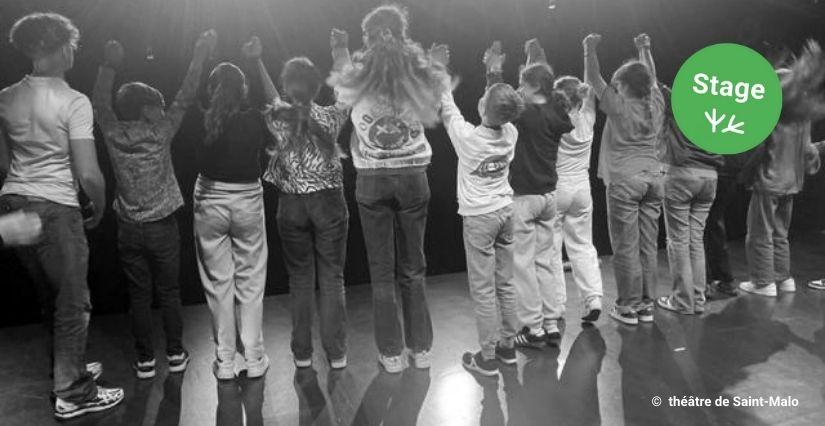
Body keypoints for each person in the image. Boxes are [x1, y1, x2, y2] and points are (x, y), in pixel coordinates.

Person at [0, 12, 124, 419]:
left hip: (14, 207)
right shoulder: (74, 101)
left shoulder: (5, 97)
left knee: (48, 296)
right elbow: (88, 171)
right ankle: (72, 391)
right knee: (73, 301)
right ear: (55, 47)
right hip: (56, 208)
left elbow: (3, 163)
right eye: (71, 43)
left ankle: (66, 367)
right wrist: (101, 202)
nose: (74, 50)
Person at [328, 4, 448, 373]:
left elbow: (340, 104)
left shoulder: (358, 74)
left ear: (368, 37)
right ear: (402, 32)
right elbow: (437, 107)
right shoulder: (420, 71)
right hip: (414, 175)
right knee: (414, 268)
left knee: (382, 271)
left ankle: (392, 354)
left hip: (373, 179)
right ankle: (421, 350)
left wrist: (339, 52)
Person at [91, 31, 215, 379]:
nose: (162, 108)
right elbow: (186, 95)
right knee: (170, 291)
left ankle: (145, 359)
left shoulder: (113, 133)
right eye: (157, 105)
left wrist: (107, 66)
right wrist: (200, 55)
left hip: (129, 229)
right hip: (162, 228)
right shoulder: (160, 131)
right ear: (147, 111)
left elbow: (100, 103)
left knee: (139, 295)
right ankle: (175, 353)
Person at [246, 31, 351, 369]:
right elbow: (346, 87)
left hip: (291, 205)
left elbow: (271, 95)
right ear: (317, 87)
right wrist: (338, 50)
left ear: (289, 86)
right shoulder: (332, 116)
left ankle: (302, 355)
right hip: (329, 204)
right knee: (332, 278)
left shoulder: (277, 116)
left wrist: (257, 60)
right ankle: (335, 354)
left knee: (300, 280)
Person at [439, 41, 524, 376]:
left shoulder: (470, 139)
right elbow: (500, 103)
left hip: (479, 219)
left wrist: (440, 70)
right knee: (505, 283)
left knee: (484, 289)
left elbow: (448, 107)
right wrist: (494, 72)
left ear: (484, 108)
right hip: (505, 212)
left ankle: (487, 357)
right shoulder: (511, 132)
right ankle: (507, 349)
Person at [488, 38, 574, 347]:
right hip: (549, 197)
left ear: (533, 86)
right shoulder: (556, 111)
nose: (518, 89)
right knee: (545, 262)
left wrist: (493, 71)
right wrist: (534, 54)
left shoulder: (525, 114)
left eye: (522, 84)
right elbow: (539, 84)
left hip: (524, 198)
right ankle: (551, 322)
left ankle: (533, 328)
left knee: (522, 265)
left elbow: (497, 102)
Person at [194, 51, 272, 380]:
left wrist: (200, 54)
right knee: (251, 284)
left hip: (209, 200)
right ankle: (254, 357)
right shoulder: (256, 118)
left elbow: (185, 94)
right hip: (247, 201)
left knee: (218, 285)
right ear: (242, 90)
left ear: (212, 90)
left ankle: (225, 360)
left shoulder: (199, 117)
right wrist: (257, 60)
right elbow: (277, 104)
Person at [583, 33, 667, 325]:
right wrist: (644, 48)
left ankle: (628, 306)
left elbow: (593, 78)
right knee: (647, 246)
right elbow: (652, 77)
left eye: (618, 83)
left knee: (625, 247)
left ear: (625, 85)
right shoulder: (655, 103)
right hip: (654, 179)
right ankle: (646, 305)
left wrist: (589, 49)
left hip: (624, 181)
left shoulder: (618, 106)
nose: (614, 86)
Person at [738, 43, 824, 296]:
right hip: (792, 182)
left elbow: (761, 149)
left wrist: (745, 172)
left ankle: (763, 283)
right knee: (780, 233)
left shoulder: (771, 113)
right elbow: (808, 150)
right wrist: (809, 167)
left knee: (759, 234)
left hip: (770, 180)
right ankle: (783, 279)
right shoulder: (802, 115)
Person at [656, 77, 724, 315]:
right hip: (710, 177)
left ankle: (682, 302)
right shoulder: (715, 108)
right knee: (695, 240)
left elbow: (655, 84)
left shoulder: (679, 103)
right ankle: (697, 299)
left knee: (678, 241)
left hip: (682, 175)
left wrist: (644, 50)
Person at [550, 73, 604, 324]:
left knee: (551, 249)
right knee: (583, 245)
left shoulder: (553, 122)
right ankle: (593, 299)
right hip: (582, 189)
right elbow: (590, 87)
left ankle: (557, 305)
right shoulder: (588, 118)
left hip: (558, 187)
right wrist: (589, 52)